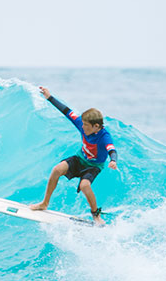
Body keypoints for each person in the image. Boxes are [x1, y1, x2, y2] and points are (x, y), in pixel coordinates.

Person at [31, 86, 118, 225]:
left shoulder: (104, 136)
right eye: (82, 124)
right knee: (56, 170)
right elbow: (66, 111)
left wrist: (113, 160)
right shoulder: (82, 124)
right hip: (79, 159)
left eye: (86, 125)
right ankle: (44, 203)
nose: (82, 127)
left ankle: (96, 215)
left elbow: (111, 149)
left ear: (96, 126)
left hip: (94, 166)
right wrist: (49, 97)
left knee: (85, 185)